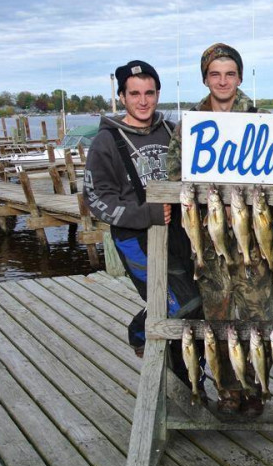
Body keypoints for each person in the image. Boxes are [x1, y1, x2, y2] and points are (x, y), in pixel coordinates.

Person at [166, 43, 273, 416]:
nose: (223, 80)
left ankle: (257, 388)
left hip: (253, 242)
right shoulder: (189, 126)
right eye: (215, 74)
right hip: (209, 243)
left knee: (257, 315)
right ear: (205, 78)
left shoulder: (261, 121)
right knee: (219, 316)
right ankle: (228, 388)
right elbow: (172, 176)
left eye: (230, 73)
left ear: (240, 77)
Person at [83, 60, 203, 392]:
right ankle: (145, 336)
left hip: (178, 233)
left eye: (149, 93)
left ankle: (194, 380)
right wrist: (144, 213)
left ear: (158, 94)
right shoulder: (105, 142)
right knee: (180, 306)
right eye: (134, 94)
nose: (143, 101)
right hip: (135, 237)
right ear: (122, 96)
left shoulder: (172, 131)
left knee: (203, 301)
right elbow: (96, 199)